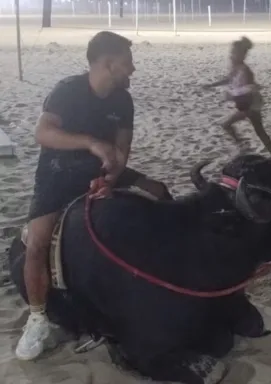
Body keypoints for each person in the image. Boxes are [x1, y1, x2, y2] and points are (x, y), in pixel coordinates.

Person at [16, 31, 172, 361]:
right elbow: (42, 133)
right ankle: (37, 318)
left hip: (100, 173)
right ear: (108, 64)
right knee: (38, 242)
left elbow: (122, 152)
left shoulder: (123, 101)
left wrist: (109, 179)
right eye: (128, 63)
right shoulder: (67, 90)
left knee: (156, 193)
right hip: (57, 175)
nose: (133, 69)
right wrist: (90, 142)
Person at [202, 37, 271, 160]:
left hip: (251, 104)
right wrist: (212, 85)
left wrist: (232, 96)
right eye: (231, 52)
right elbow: (229, 79)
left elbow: (249, 90)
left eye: (234, 53)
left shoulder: (245, 70)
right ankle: (268, 153)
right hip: (245, 104)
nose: (231, 55)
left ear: (243, 55)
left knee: (229, 125)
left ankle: (246, 147)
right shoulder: (235, 67)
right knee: (258, 130)